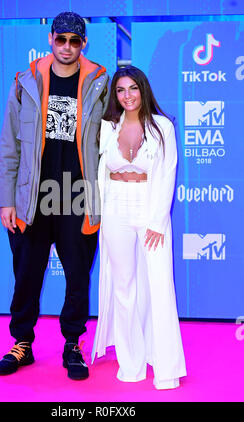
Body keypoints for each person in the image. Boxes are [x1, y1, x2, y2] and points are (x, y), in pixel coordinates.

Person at [0, 11, 109, 380]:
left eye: (75, 41)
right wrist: (6, 200)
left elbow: (112, 138)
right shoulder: (25, 82)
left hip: (78, 195)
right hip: (33, 196)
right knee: (26, 273)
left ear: (83, 44)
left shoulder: (99, 82)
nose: (67, 47)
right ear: (50, 39)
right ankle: (22, 343)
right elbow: (9, 145)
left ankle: (73, 343)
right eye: (61, 39)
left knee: (78, 276)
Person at [91, 66, 187, 390]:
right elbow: (99, 174)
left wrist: (158, 221)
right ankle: (130, 363)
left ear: (143, 89)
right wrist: (96, 212)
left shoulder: (162, 126)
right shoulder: (107, 127)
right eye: (120, 90)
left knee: (159, 286)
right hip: (115, 208)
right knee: (124, 286)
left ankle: (165, 365)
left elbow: (168, 173)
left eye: (133, 88)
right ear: (114, 95)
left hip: (149, 208)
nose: (127, 95)